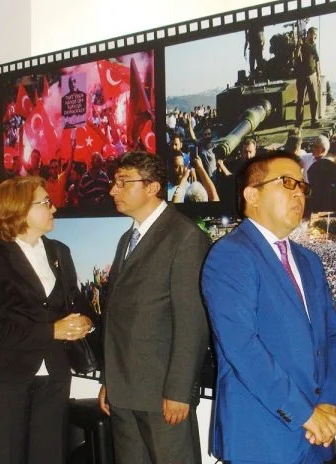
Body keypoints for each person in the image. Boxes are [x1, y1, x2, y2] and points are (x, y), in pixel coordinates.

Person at [201, 150, 336, 463]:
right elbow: (242, 347)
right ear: (252, 195)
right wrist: (304, 414)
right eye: (287, 183)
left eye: (302, 186)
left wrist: (333, 402)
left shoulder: (309, 261)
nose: (299, 193)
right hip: (262, 440)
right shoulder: (230, 255)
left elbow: (333, 337)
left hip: (316, 437)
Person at [0, 176, 93, 463]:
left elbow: (76, 300)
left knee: (49, 455)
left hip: (54, 374)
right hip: (6, 376)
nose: (54, 208)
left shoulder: (59, 251)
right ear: (19, 209)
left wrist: (86, 320)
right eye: (46, 202)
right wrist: (52, 331)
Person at [99, 151, 210, 463]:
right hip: (124, 391)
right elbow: (117, 318)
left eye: (123, 182)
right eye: (114, 182)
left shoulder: (185, 237)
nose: (113, 190)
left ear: (152, 187)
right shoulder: (127, 239)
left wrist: (179, 391)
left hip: (162, 396)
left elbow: (192, 322)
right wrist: (109, 381)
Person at [295, 27, 321, 128]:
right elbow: (296, 57)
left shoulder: (313, 45)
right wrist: (298, 47)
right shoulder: (301, 44)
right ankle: (299, 122)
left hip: (312, 75)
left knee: (314, 100)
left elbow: (317, 61)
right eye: (313, 35)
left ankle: (314, 120)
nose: (314, 38)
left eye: (316, 36)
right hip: (302, 76)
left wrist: (318, 76)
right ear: (309, 34)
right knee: (300, 100)